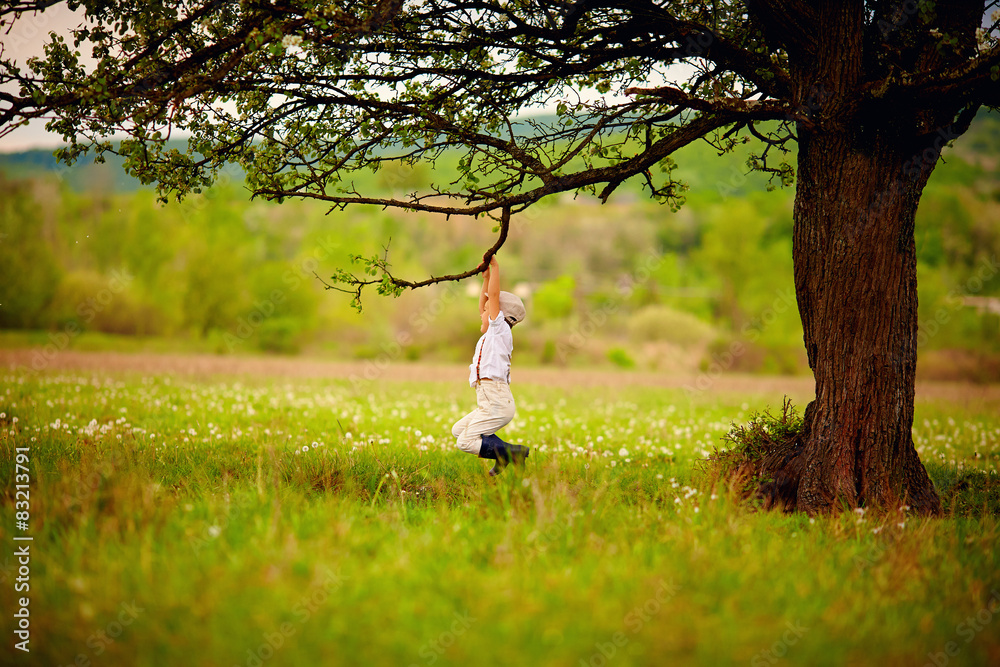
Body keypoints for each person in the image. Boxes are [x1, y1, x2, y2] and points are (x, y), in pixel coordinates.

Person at [450, 254, 529, 475]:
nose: (482, 312)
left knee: (464, 442)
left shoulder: (499, 329)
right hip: (489, 401)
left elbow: (492, 297)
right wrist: (485, 277)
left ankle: (511, 453)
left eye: (487, 311)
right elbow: (487, 300)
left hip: (497, 401)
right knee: (458, 430)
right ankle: (505, 455)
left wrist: (495, 267)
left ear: (498, 314)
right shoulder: (493, 334)